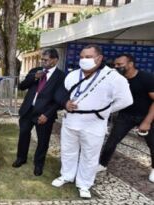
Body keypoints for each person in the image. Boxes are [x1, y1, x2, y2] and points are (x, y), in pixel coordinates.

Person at [51, 44, 133, 199]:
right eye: (82, 57)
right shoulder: (73, 75)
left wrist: (104, 110)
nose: (84, 60)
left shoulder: (113, 77)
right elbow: (62, 92)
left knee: (90, 155)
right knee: (68, 150)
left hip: (94, 123)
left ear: (99, 58)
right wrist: (65, 103)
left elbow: (126, 100)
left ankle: (84, 184)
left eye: (88, 57)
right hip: (71, 121)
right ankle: (67, 175)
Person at [98, 54, 154, 183]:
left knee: (153, 144)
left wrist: (147, 121)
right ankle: (102, 164)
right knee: (111, 142)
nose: (117, 67)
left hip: (146, 115)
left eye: (120, 64)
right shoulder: (118, 79)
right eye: (115, 65)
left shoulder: (147, 78)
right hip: (125, 116)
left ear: (130, 64)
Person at [12, 48, 65, 176]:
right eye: (42, 59)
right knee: (23, 134)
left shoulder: (61, 76)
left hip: (44, 114)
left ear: (55, 60)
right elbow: (22, 86)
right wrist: (34, 77)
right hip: (27, 110)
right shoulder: (35, 71)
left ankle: (39, 164)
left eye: (45, 60)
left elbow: (59, 100)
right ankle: (21, 158)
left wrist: (47, 114)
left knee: (43, 141)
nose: (42, 62)